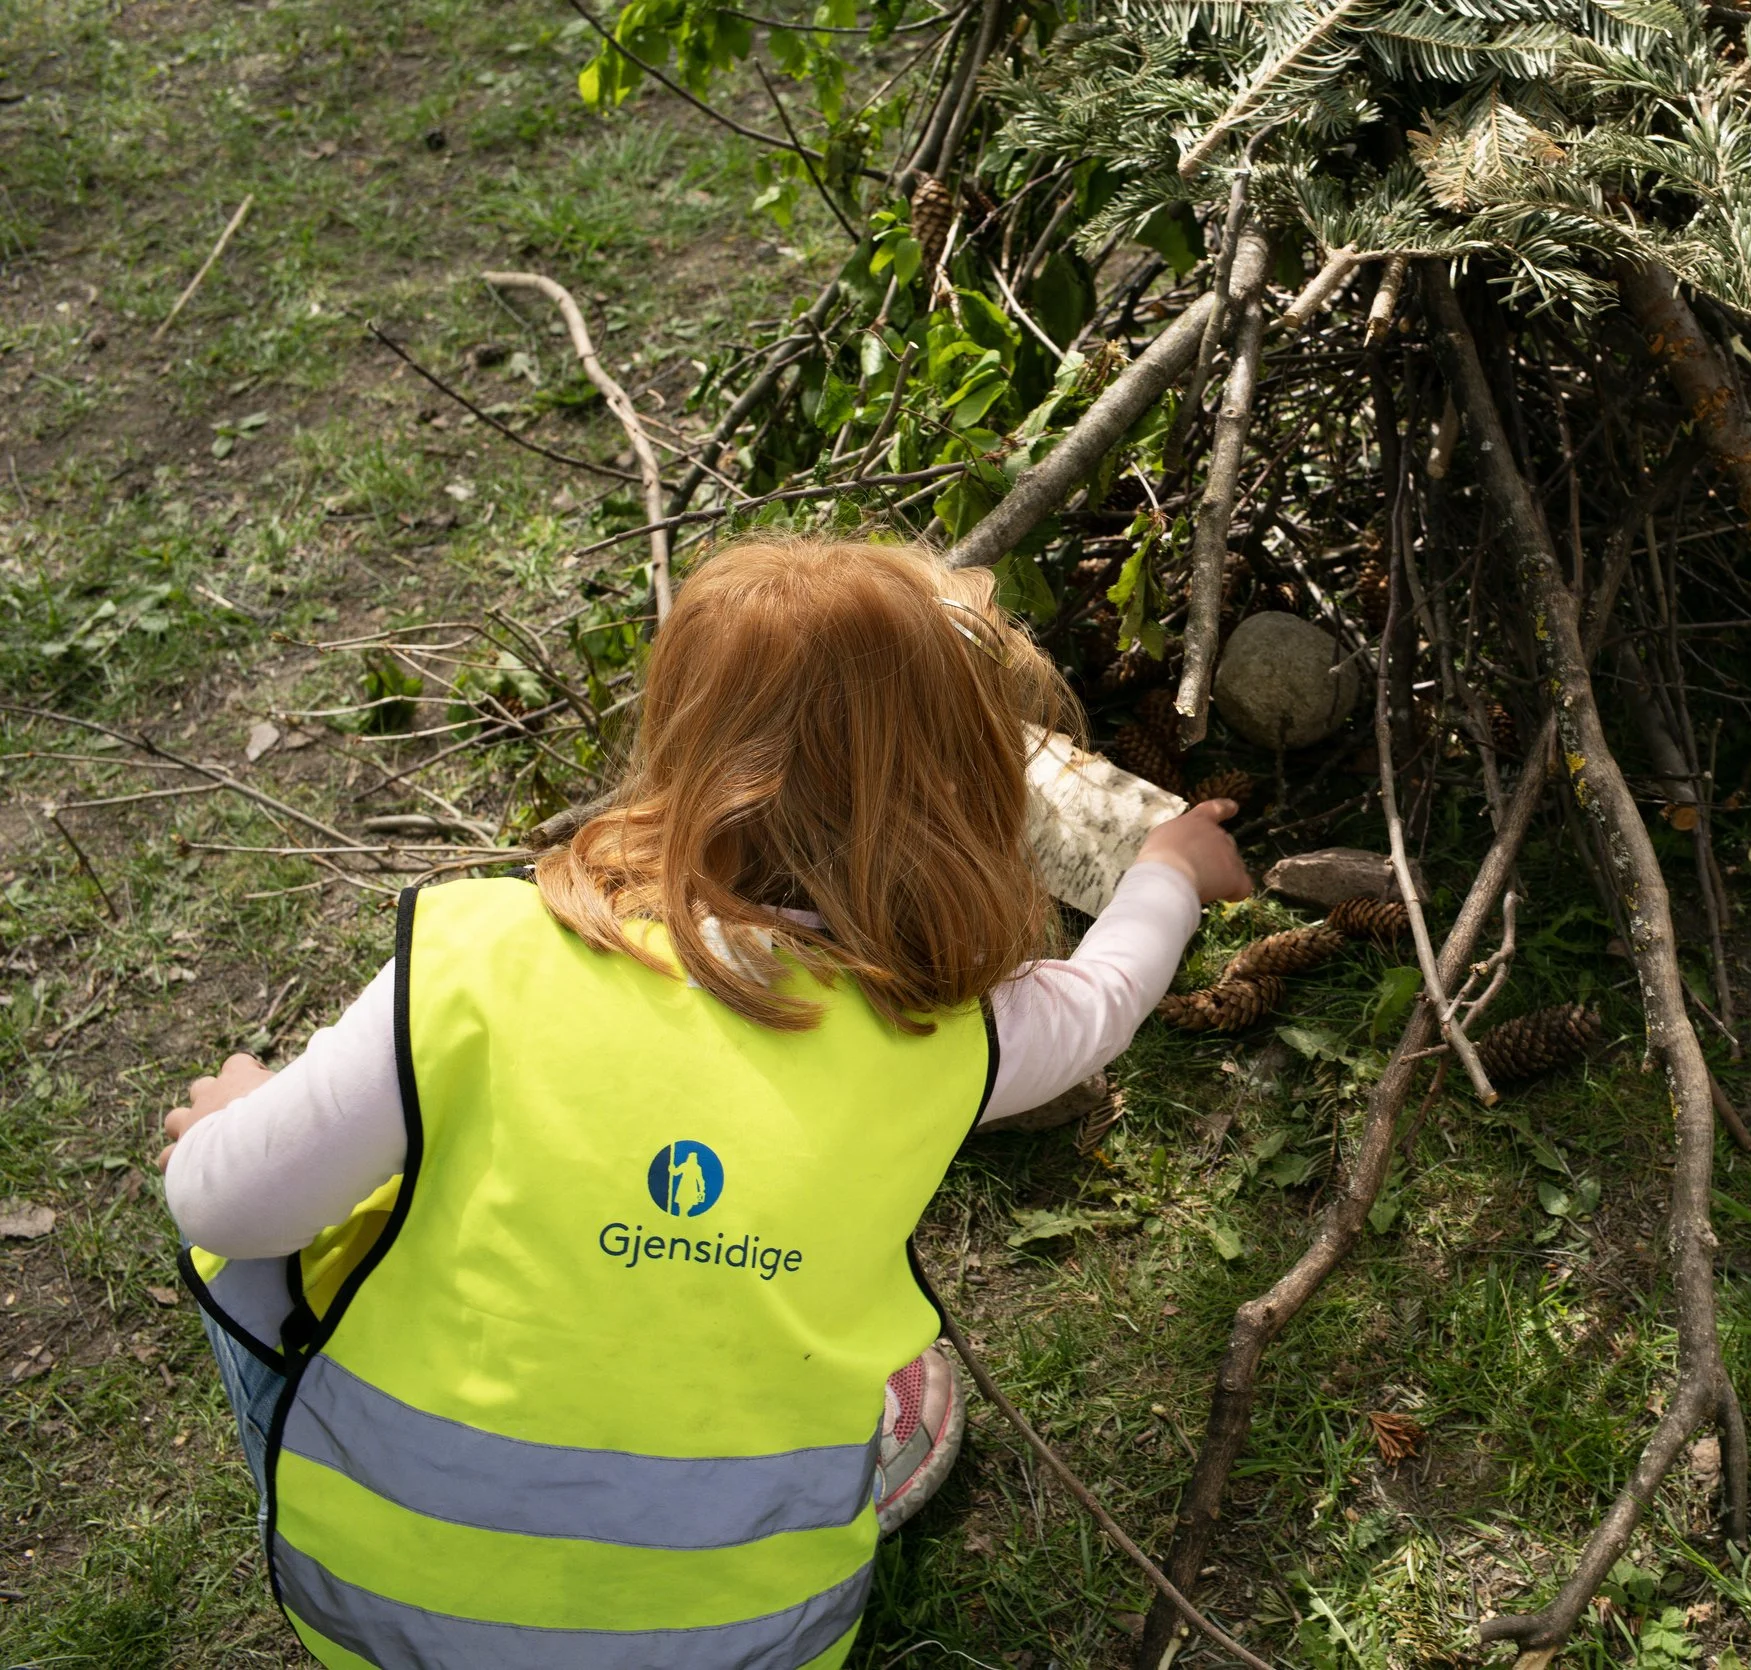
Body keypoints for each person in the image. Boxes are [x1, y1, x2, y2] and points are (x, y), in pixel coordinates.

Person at [158, 536, 1250, 1670]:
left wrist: (245, 1105)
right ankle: (836, 1463)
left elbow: (230, 1210)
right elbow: (1104, 998)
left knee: (271, 1234)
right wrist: (1166, 866)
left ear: (679, 739)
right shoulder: (952, 1035)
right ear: (969, 801)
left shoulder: (476, 952)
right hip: (753, 1642)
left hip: (379, 1612)